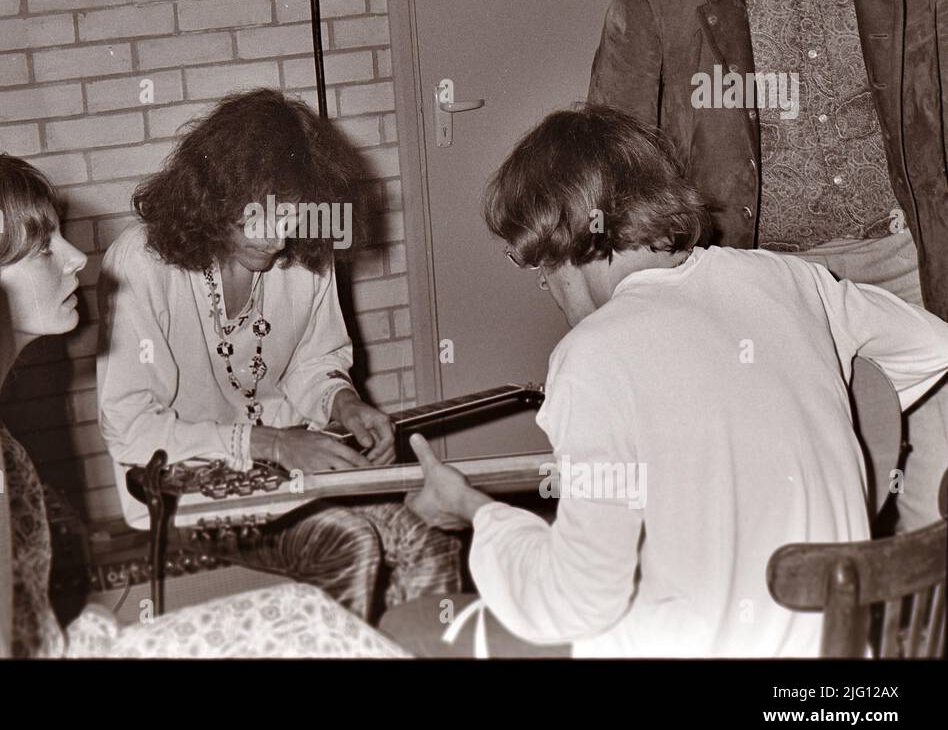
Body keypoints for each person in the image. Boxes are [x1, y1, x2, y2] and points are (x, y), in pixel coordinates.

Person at [380, 104, 948, 658]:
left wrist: (477, 512)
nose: (551, 294)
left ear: (562, 249)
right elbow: (932, 346)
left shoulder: (591, 357)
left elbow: (580, 602)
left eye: (543, 274)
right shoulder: (788, 278)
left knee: (408, 625)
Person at [587, 0, 948, 531]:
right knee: (796, 504)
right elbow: (615, 157)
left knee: (938, 494)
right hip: (761, 283)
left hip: (906, 258)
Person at [0, 140, 408, 658]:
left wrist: (340, 401)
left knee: (340, 594)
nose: (78, 257)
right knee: (331, 589)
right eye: (42, 248)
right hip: (180, 493)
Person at [97, 88, 460, 622]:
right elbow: (131, 427)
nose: (280, 238)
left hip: (294, 480)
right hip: (192, 488)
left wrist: (343, 404)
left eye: (295, 219)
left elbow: (315, 363)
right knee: (349, 543)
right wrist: (272, 443)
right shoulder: (141, 263)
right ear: (215, 197)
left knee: (428, 535)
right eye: (262, 218)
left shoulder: (305, 250)